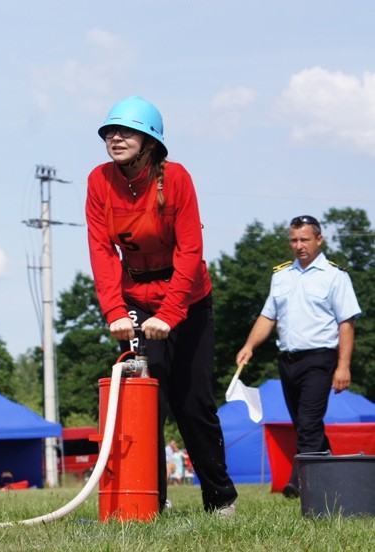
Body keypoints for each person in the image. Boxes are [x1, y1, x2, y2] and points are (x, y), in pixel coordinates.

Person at [85, 96, 238, 515]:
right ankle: (151, 501)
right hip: (135, 297)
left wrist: (170, 314)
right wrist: (114, 310)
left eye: (126, 132)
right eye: (109, 132)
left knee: (194, 403)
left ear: (151, 142)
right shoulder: (98, 180)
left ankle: (220, 499)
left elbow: (191, 250)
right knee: (145, 400)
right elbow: (101, 250)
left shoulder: (176, 179)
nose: (115, 138)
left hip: (188, 298)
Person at [235, 215, 360, 499]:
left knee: (308, 422)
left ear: (319, 239)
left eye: (304, 239)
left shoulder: (335, 276)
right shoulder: (281, 276)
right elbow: (268, 316)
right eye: (294, 240)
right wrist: (249, 346)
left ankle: (300, 482)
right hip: (288, 360)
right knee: (304, 424)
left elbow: (347, 323)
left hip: (320, 358)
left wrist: (343, 366)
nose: (299, 246)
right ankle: (333, 475)